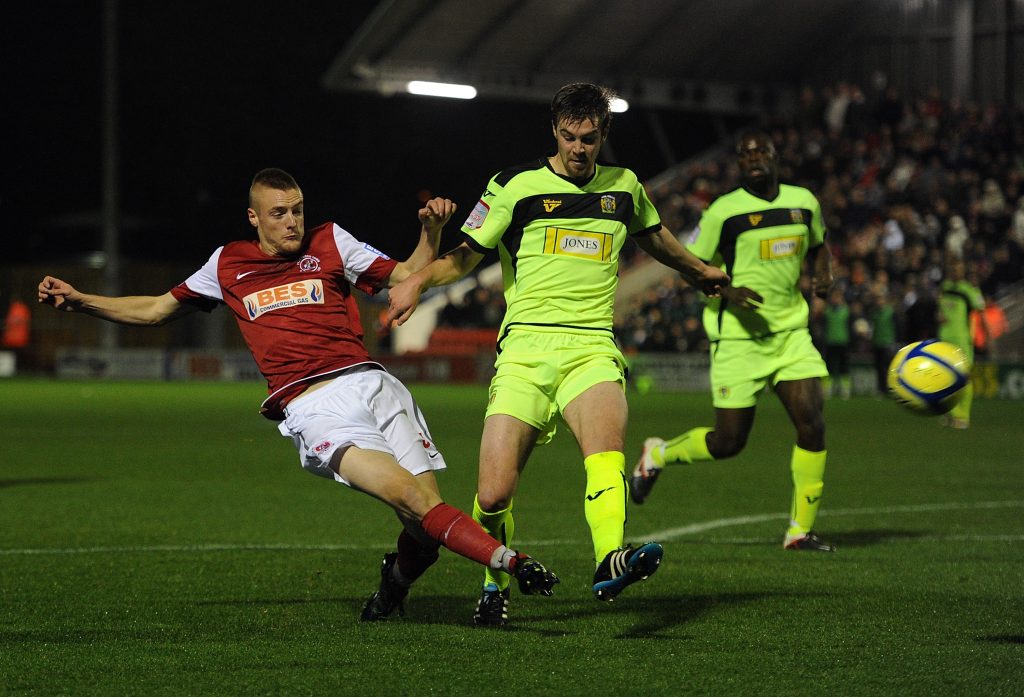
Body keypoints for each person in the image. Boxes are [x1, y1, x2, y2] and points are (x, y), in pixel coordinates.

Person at [37, 167, 559, 622]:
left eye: (298, 210)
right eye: (280, 212)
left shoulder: (331, 241)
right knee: (415, 500)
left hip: (376, 384)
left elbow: (407, 277)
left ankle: (391, 588)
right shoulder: (227, 265)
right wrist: (82, 301)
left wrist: (432, 232)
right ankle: (509, 561)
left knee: (424, 529)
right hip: (315, 406)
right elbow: (153, 309)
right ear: (254, 218)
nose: (292, 221)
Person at [387, 83, 729, 626]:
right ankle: (493, 584)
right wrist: (418, 282)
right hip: (524, 349)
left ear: (603, 135)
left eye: (589, 139)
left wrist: (699, 271)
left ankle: (610, 556)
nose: (578, 148)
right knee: (493, 493)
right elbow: (464, 258)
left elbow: (656, 239)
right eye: (569, 137)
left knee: (605, 451)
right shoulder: (513, 185)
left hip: (591, 347)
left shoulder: (625, 187)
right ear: (554, 131)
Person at [631, 130, 837, 553]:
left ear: (776, 155)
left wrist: (823, 272)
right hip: (738, 339)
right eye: (745, 155)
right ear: (739, 166)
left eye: (762, 150)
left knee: (811, 422)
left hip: (790, 334)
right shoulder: (724, 212)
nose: (754, 158)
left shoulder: (804, 202)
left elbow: (820, 245)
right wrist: (727, 291)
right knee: (728, 443)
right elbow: (689, 267)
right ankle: (658, 454)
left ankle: (799, 531)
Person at [937, 259, 985, 429]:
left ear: (963, 271)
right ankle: (949, 413)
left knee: (963, 378)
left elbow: (980, 310)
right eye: (953, 268)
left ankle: (963, 416)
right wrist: (939, 316)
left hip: (962, 339)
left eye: (959, 269)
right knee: (944, 377)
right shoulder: (945, 287)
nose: (955, 271)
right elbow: (941, 309)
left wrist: (984, 336)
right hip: (944, 338)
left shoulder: (969, 290)